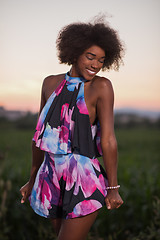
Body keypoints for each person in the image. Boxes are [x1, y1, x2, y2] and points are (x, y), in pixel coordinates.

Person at [20, 16, 125, 240]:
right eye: (90, 57)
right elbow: (39, 136)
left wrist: (113, 187)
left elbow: (108, 140)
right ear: (75, 52)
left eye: (101, 60)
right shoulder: (49, 83)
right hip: (50, 177)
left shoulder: (101, 87)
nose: (96, 65)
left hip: (83, 179)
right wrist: (32, 178)